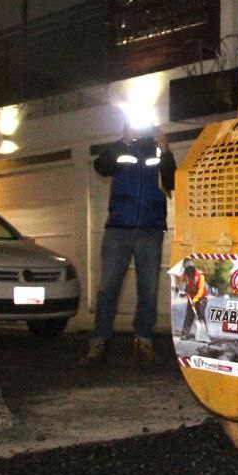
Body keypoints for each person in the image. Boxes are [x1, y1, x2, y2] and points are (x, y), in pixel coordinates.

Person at [80, 125, 176, 366]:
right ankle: (99, 342)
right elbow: (101, 167)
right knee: (108, 288)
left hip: (150, 229)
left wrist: (164, 149)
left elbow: (172, 180)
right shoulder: (122, 147)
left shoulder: (157, 149)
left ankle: (143, 341)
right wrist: (122, 141)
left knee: (148, 289)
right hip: (118, 229)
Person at [176, 260, 208, 341]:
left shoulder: (200, 276)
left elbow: (200, 291)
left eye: (191, 270)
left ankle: (204, 335)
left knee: (200, 315)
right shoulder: (185, 275)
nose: (189, 273)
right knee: (189, 316)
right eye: (187, 270)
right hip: (191, 297)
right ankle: (184, 334)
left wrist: (195, 300)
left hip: (201, 298)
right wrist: (181, 289)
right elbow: (180, 281)